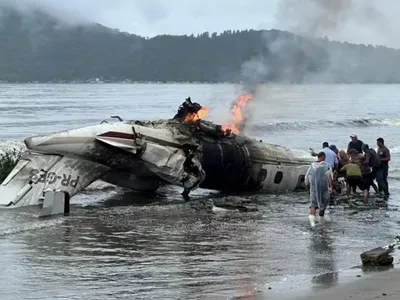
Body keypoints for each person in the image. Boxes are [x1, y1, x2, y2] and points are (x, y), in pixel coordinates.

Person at [305, 151, 333, 227]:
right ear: (324, 157)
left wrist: (308, 187)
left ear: (318, 157)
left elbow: (306, 178)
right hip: (324, 188)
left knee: (313, 205)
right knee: (322, 205)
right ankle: (321, 223)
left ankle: (312, 224)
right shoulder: (327, 165)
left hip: (314, 188)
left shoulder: (312, 165)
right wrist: (331, 187)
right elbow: (330, 177)